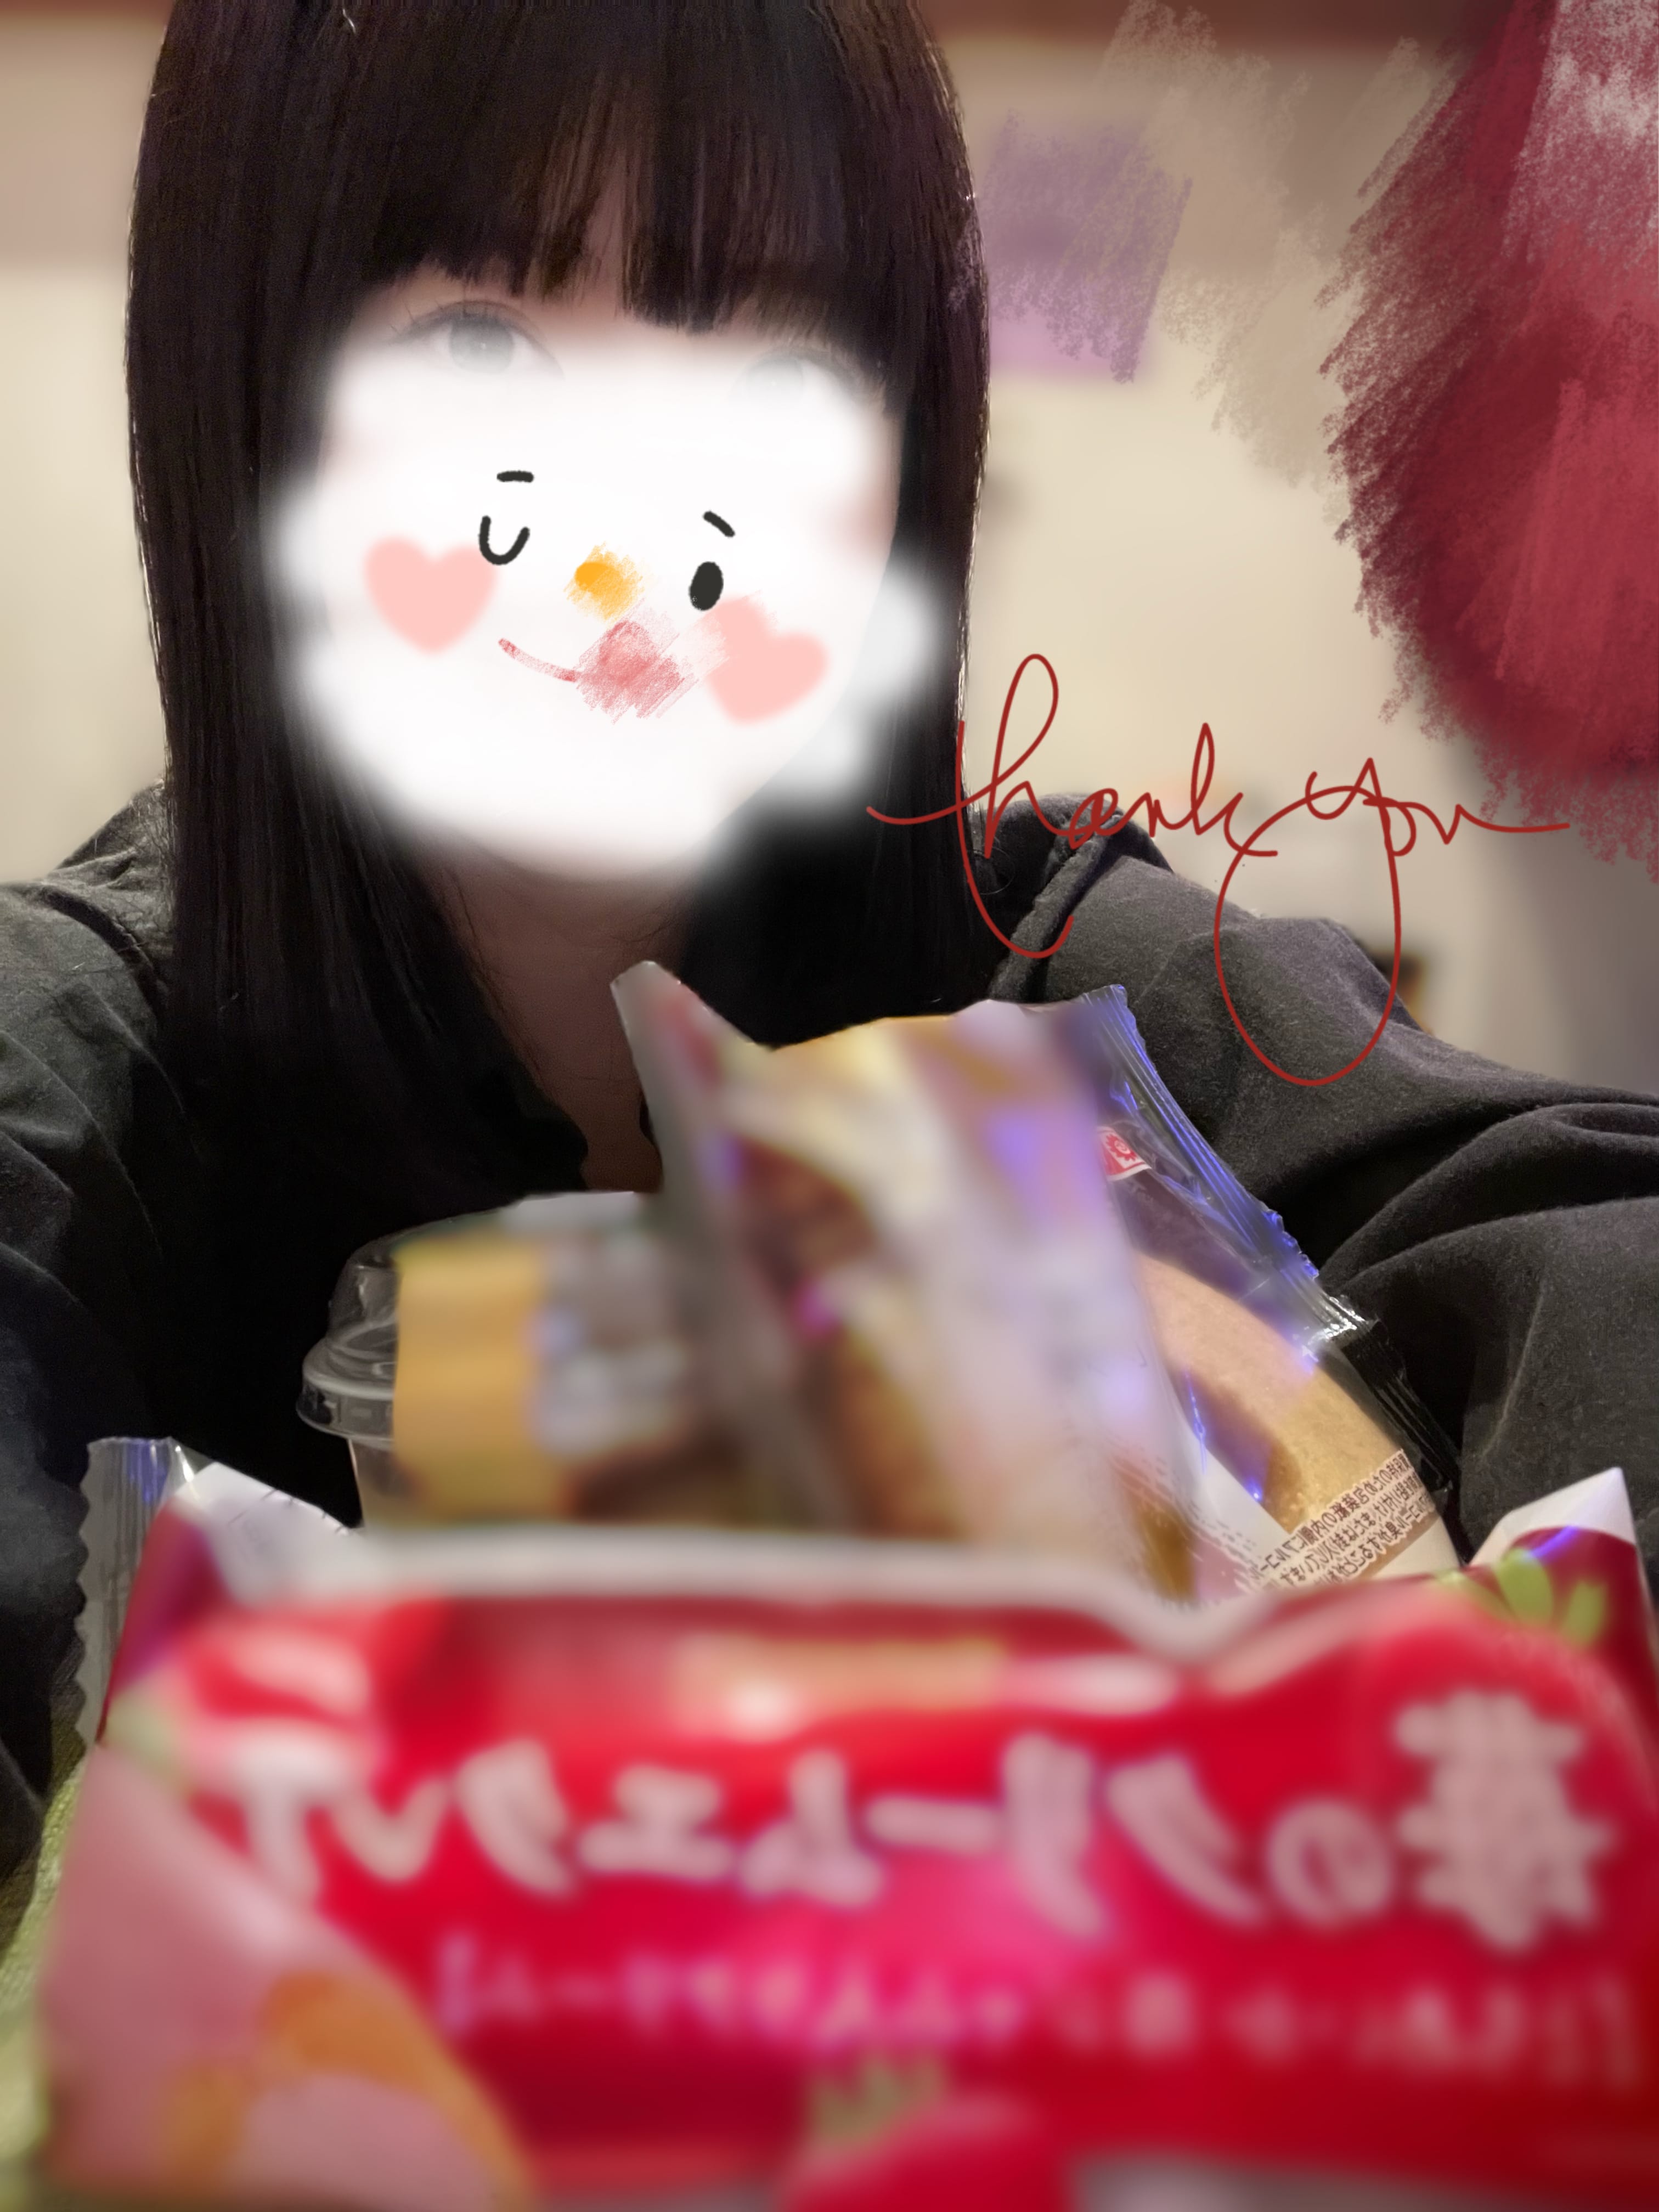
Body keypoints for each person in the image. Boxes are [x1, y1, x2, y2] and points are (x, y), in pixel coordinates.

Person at [0, 0, 1654, 1879]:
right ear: (242, 400)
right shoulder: (80, 1075)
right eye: (478, 345)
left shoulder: (1041, 972)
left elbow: (1575, 1227)